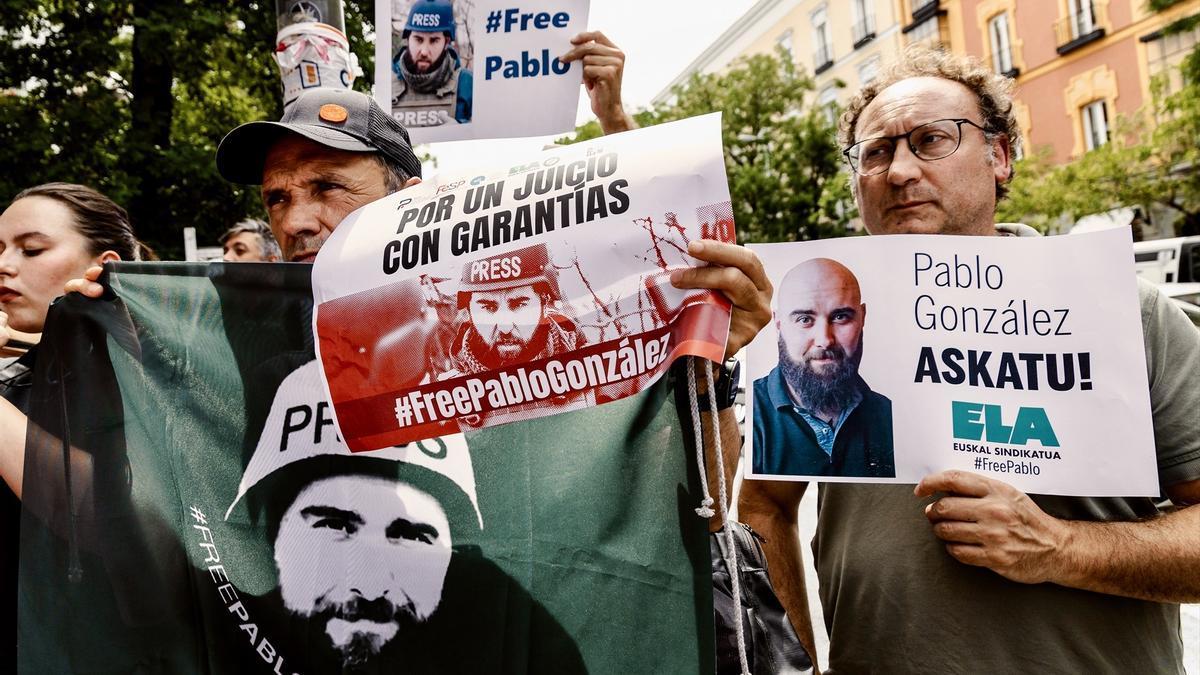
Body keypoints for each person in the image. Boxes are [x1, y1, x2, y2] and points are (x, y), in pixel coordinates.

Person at [738, 47, 1200, 673]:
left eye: (932, 140)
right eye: (876, 152)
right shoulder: (825, 313)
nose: (899, 170)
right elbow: (764, 504)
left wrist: (1060, 547)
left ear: (1000, 157)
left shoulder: (1122, 310)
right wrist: (792, 662)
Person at [0, 182, 140, 667]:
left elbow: (116, 524)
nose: (5, 265)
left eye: (32, 249)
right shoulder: (15, 377)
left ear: (104, 264)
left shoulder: (153, 378)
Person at [753, 258, 893, 478]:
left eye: (840, 317)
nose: (825, 340)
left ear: (862, 317)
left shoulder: (890, 416)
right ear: (778, 323)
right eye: (804, 319)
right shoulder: (752, 415)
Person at [451, 243, 583, 374]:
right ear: (469, 312)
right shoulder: (449, 392)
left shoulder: (592, 370)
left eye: (519, 305)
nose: (505, 328)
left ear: (544, 304)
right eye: (488, 307)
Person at [391, 0, 473, 127]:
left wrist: (463, 133)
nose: (424, 51)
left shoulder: (466, 83)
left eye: (434, 40)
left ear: (446, 43)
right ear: (408, 39)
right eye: (418, 39)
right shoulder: (386, 81)